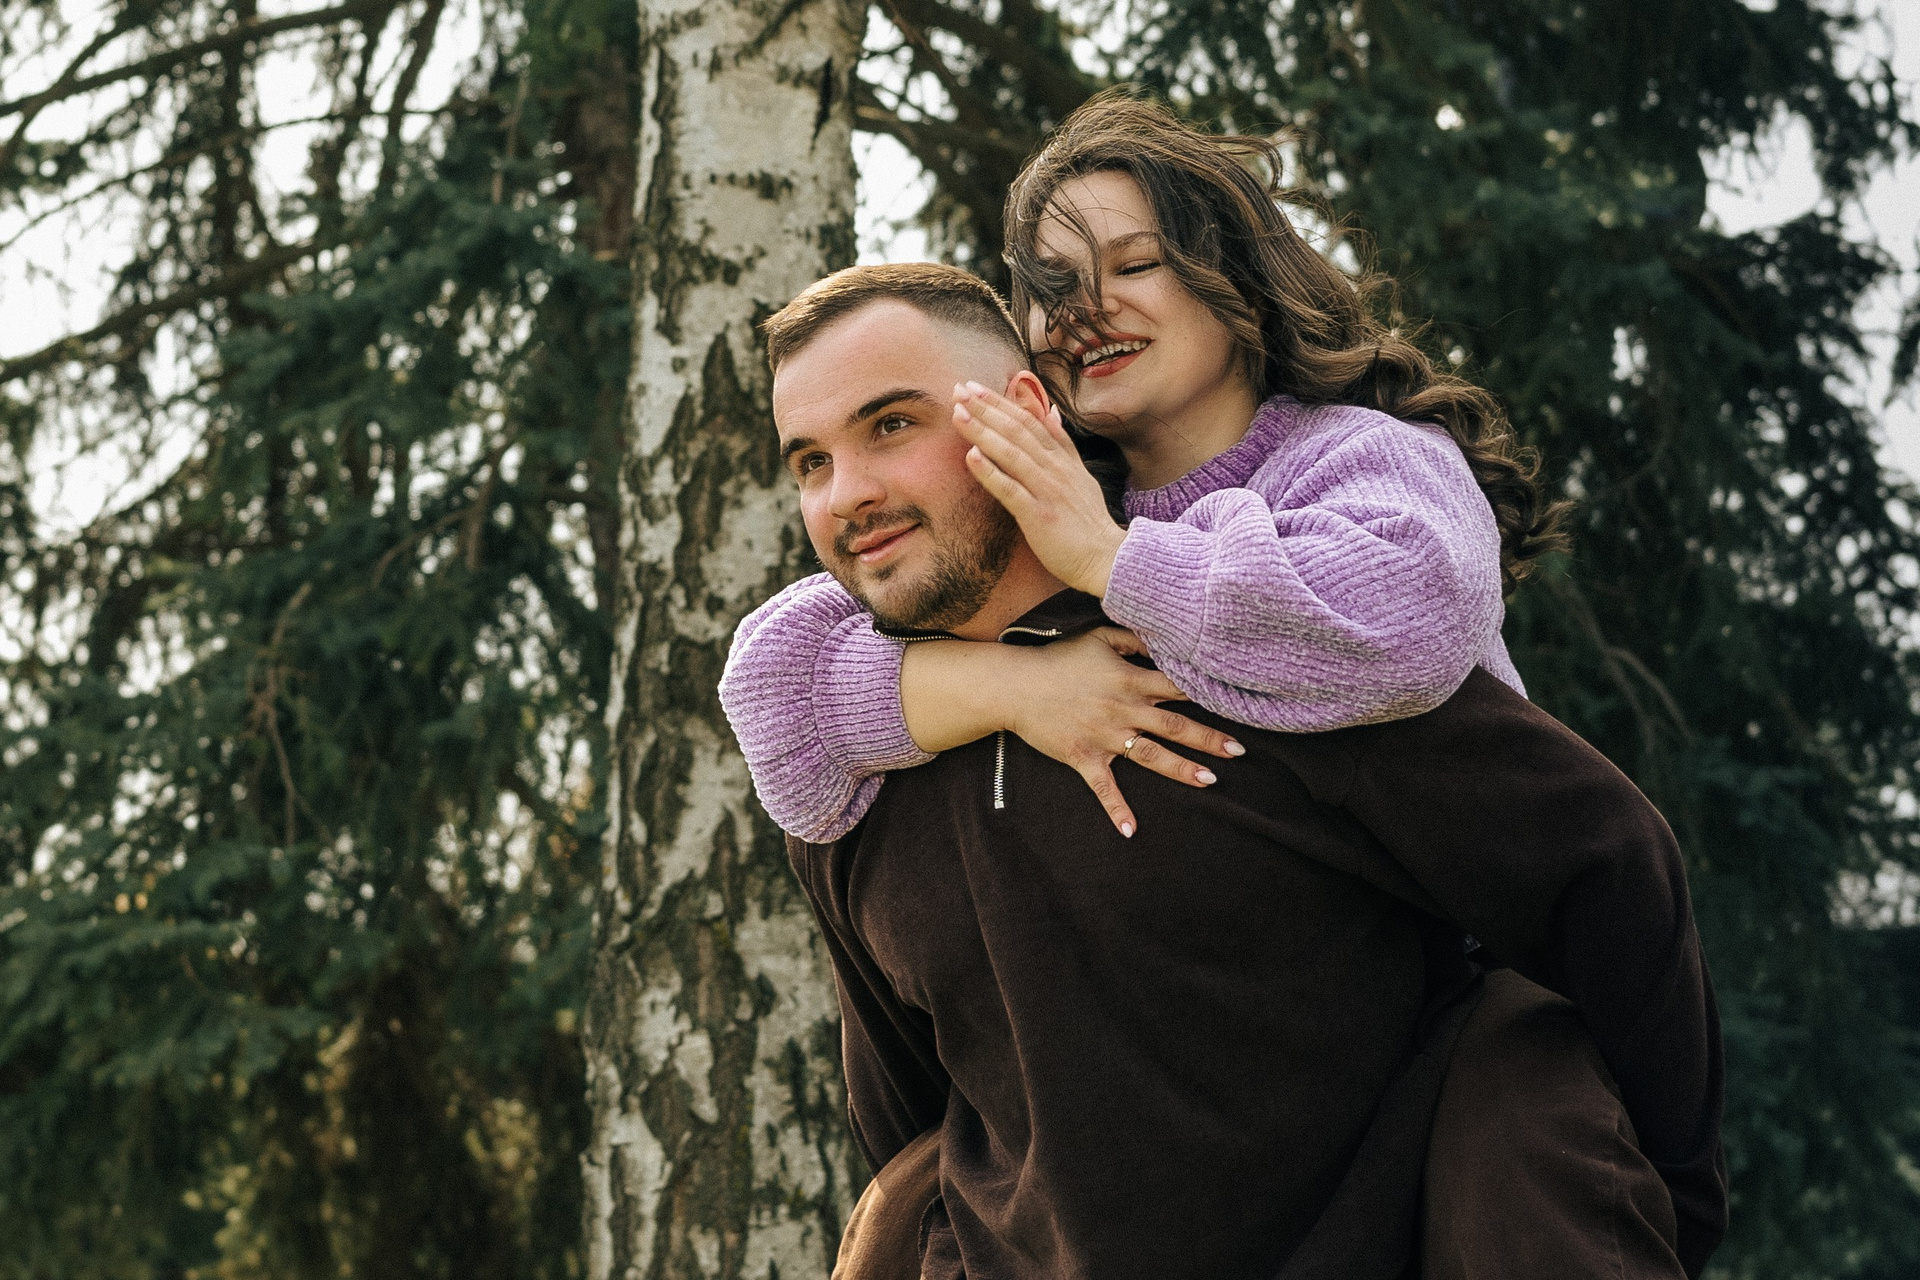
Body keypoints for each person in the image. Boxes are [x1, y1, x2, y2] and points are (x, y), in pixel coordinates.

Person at [744, 262, 1724, 1280]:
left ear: (1025, 411)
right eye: (810, 462)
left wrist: (1670, 1202)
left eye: (891, 424)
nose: (849, 494)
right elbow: (917, 1112)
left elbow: (1606, 865)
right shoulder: (854, 768)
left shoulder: (1248, 639)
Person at [722, 89, 1566, 845]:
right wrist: (1017, 686)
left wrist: (1108, 557)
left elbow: (1407, 624)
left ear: (1240, 279)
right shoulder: (1049, 499)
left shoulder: (1365, 453)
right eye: (1054, 288)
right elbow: (772, 690)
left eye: (1134, 265)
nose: (1086, 311)